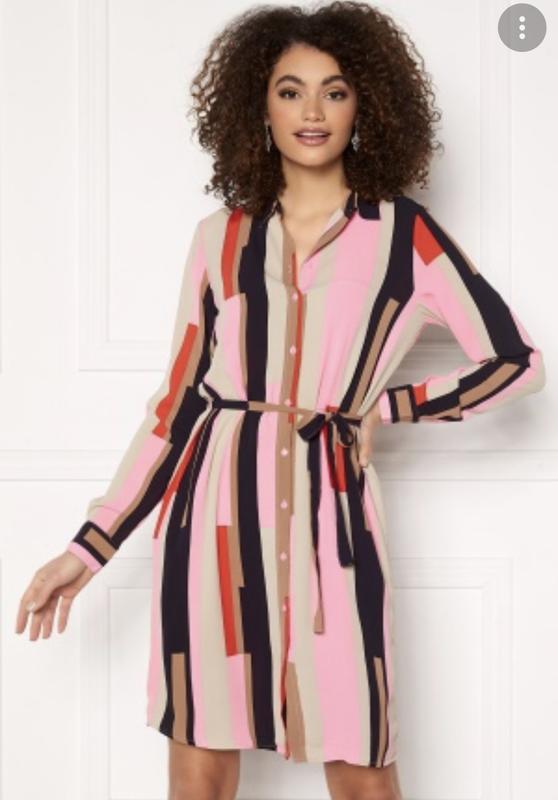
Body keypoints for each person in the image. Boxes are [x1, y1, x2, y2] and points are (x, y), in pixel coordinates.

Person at [15, 3, 546, 799]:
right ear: (258, 107)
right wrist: (88, 549)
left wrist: (388, 408)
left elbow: (516, 360)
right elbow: (176, 408)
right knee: (200, 769)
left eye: (335, 91)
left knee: (363, 767)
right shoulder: (219, 239)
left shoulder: (405, 236)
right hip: (211, 531)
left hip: (336, 527)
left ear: (366, 106)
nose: (312, 111)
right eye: (290, 91)